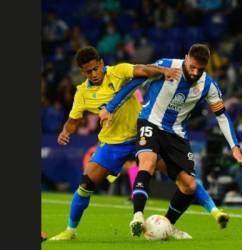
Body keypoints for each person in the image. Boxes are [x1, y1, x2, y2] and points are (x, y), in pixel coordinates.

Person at [99, 44, 242, 239]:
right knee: (148, 162)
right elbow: (135, 82)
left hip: (177, 134)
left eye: (201, 69)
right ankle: (137, 215)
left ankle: (167, 226)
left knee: (189, 185)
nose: (196, 72)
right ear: (186, 58)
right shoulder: (166, 66)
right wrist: (110, 107)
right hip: (151, 121)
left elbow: (221, 116)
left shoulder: (208, 85)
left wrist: (234, 146)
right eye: (192, 67)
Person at [49, 46, 181, 240]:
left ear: (101, 63)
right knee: (85, 185)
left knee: (178, 173)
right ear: (82, 72)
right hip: (113, 143)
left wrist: (164, 71)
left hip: (140, 136)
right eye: (88, 71)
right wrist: (65, 132)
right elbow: (73, 120)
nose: (93, 74)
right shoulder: (82, 93)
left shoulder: (118, 72)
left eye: (95, 68)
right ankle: (70, 230)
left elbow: (143, 70)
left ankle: (185, 215)